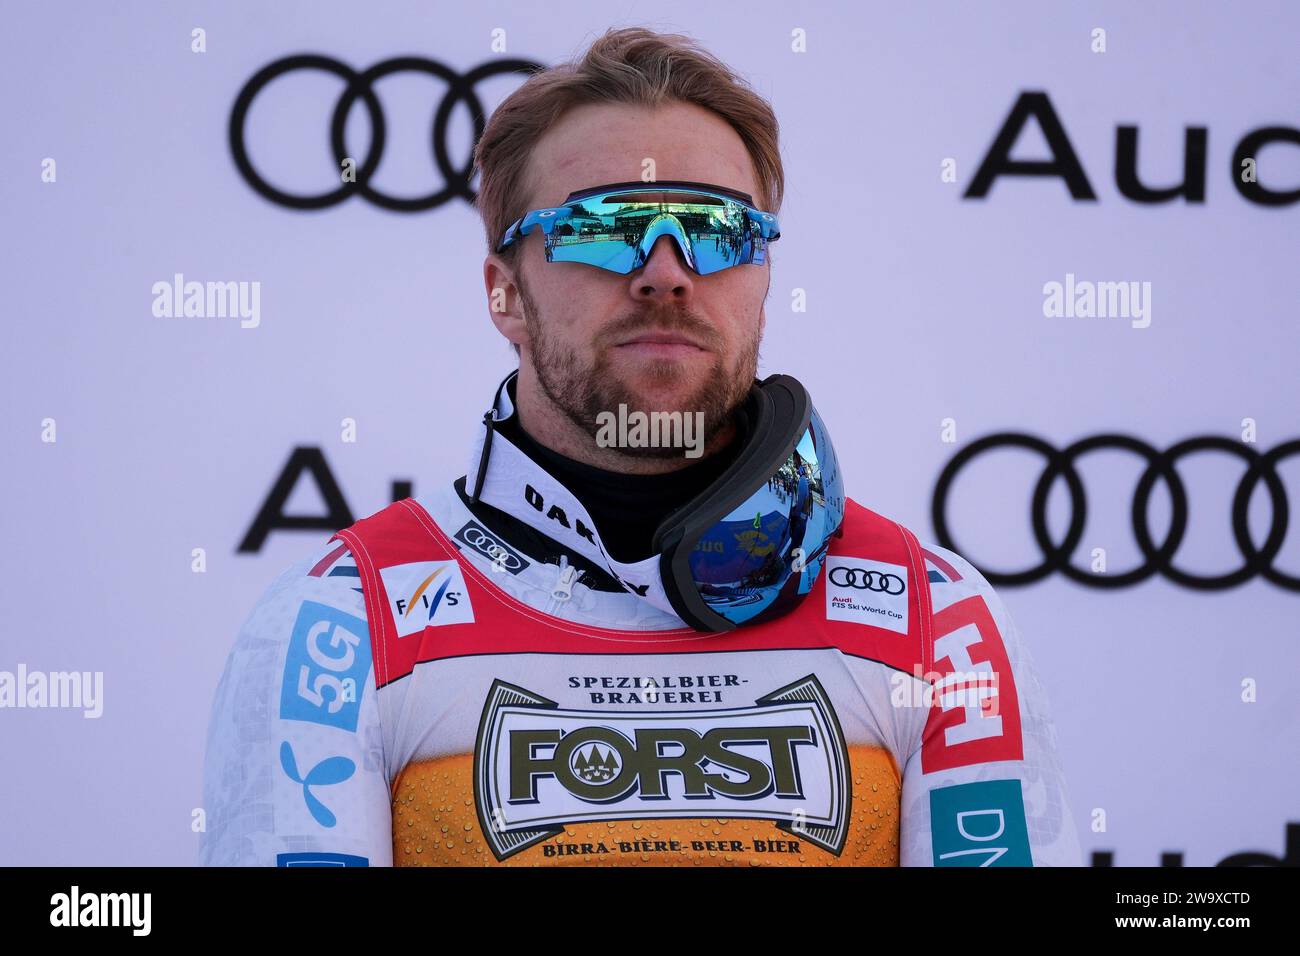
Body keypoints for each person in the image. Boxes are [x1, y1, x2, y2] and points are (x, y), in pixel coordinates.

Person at [200, 26, 1081, 868]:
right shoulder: (345, 626)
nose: (665, 269)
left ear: (762, 275)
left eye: (718, 229)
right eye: (605, 225)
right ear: (504, 291)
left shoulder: (933, 620)